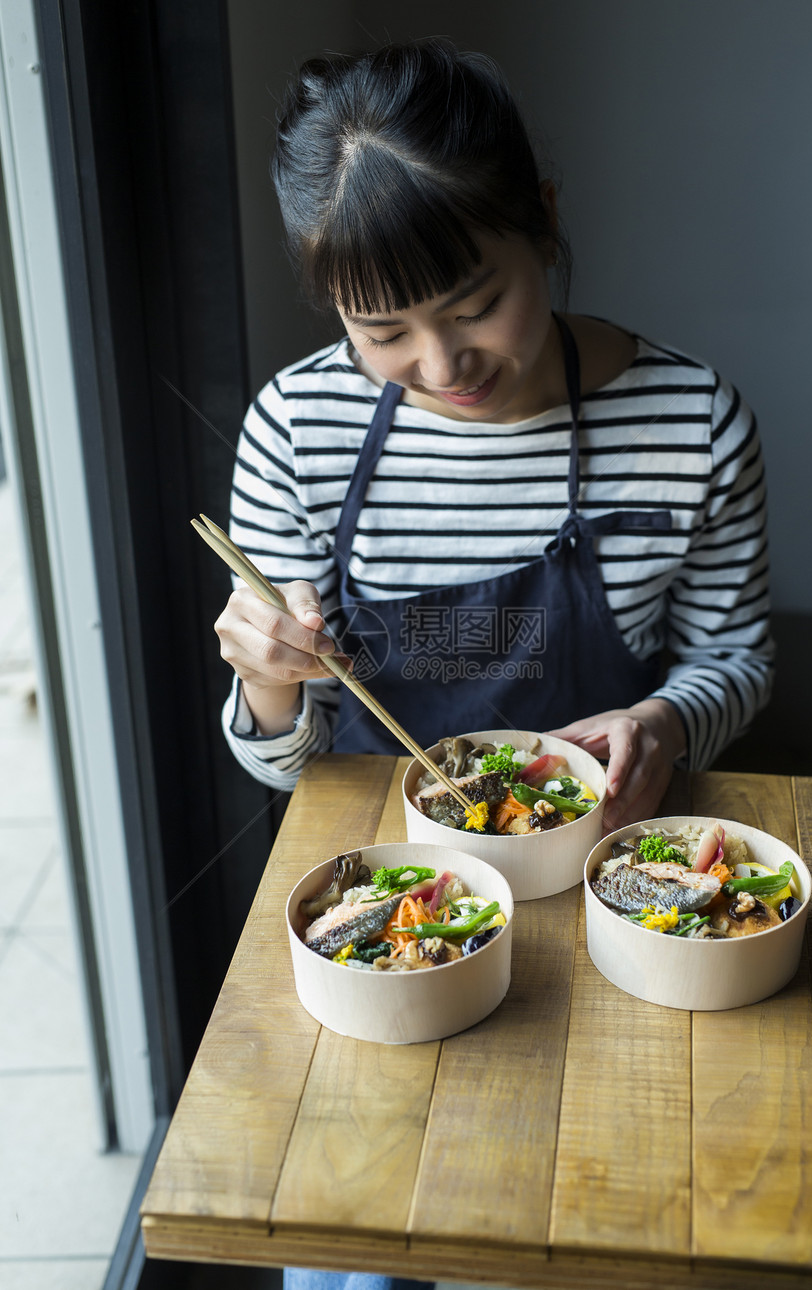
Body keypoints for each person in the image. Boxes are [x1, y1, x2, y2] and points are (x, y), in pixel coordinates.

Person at [216, 38, 773, 834]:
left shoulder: (693, 421)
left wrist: (664, 724)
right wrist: (267, 680)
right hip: (393, 871)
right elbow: (293, 768)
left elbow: (733, 659)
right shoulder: (299, 428)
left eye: (475, 308)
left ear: (544, 221)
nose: (443, 366)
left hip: (614, 848)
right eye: (382, 331)